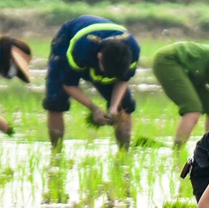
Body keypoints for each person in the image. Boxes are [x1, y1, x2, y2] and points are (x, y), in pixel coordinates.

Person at [43, 15, 140, 148]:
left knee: (124, 105)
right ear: (99, 57)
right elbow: (68, 84)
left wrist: (113, 107)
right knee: (55, 101)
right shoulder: (81, 50)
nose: (108, 77)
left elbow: (123, 80)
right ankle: (56, 151)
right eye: (107, 73)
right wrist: (94, 109)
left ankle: (124, 153)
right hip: (67, 39)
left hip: (103, 44)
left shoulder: (133, 50)